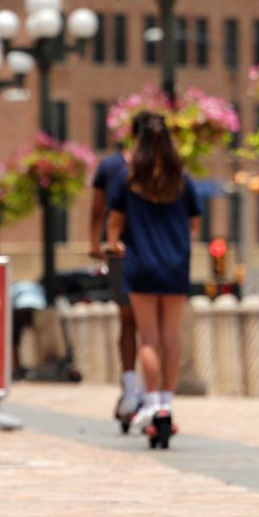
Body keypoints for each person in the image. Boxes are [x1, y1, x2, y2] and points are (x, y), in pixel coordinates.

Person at [106, 112, 201, 449]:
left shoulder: (127, 178)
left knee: (148, 338)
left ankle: (151, 403)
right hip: (176, 264)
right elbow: (194, 223)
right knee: (170, 337)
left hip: (142, 263)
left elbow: (114, 223)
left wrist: (115, 243)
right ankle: (166, 405)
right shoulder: (181, 179)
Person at [90, 116, 145, 432]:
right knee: (153, 327)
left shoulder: (112, 166)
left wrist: (96, 243)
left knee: (128, 322)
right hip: (155, 255)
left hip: (121, 251)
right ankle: (154, 396)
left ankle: (130, 391)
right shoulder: (162, 168)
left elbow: (100, 210)